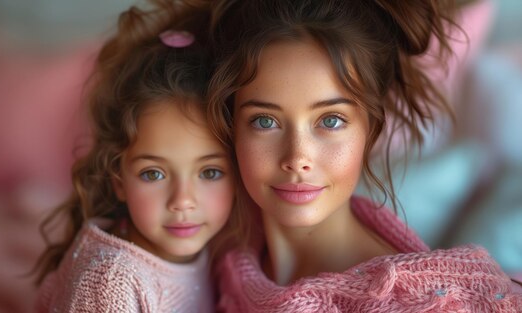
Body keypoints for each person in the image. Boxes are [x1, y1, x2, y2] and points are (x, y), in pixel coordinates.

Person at [206, 0, 522, 311]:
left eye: (330, 121)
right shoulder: (228, 254)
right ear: (231, 127)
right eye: (265, 121)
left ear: (370, 129)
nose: (297, 157)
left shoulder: (413, 302)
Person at [33, 1, 243, 312]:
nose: (183, 200)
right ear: (118, 179)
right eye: (154, 174)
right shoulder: (111, 285)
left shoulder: (215, 250)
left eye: (210, 172)